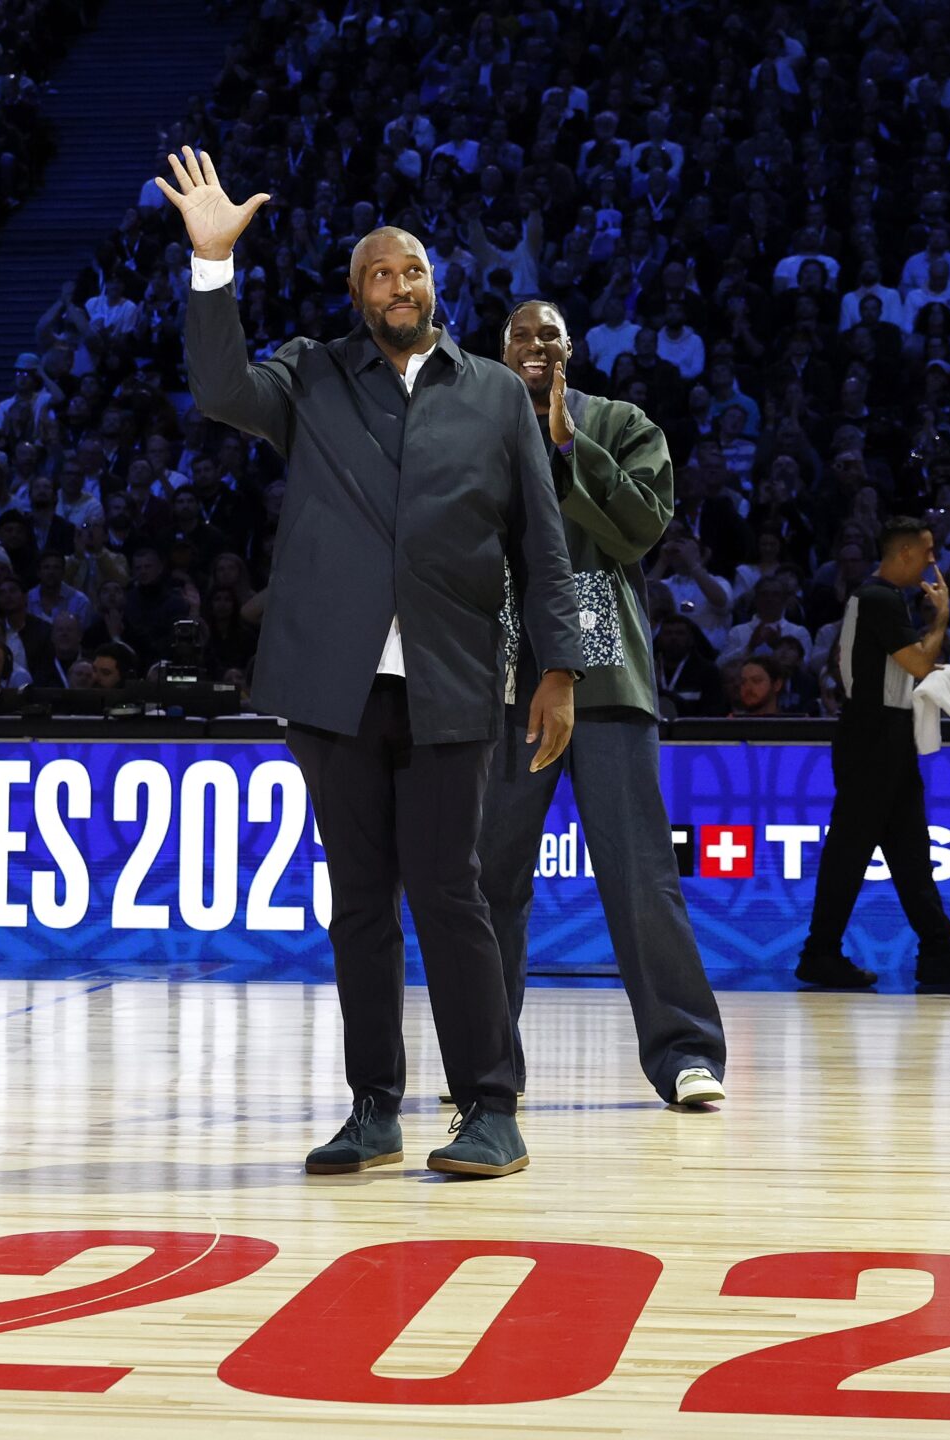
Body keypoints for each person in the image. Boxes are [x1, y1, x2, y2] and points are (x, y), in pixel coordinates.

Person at [164, 147, 581, 1179]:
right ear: (356, 295)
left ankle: (491, 1105)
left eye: (415, 271)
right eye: (380, 274)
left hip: (450, 677)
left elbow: (543, 541)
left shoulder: (490, 394)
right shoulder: (309, 374)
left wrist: (561, 669)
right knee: (358, 901)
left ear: (436, 287)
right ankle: (372, 1106)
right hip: (332, 684)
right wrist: (212, 266)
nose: (401, 285)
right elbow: (217, 387)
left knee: (451, 896)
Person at [476, 300, 727, 1110]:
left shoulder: (621, 423)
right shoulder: (472, 422)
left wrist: (562, 439)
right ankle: (482, 1062)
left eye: (549, 333)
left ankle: (687, 1054)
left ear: (571, 349)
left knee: (640, 876)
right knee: (490, 882)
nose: (535, 345)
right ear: (501, 349)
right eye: (521, 334)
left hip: (608, 678)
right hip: (506, 683)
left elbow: (638, 530)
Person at [796, 517, 950, 988]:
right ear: (904, 553)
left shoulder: (869, 597)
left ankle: (937, 950)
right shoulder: (882, 598)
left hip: (878, 734)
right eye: (927, 552)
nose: (933, 561)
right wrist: (942, 616)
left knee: (909, 851)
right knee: (851, 852)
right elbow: (919, 663)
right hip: (875, 737)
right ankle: (820, 952)